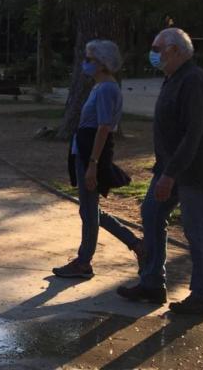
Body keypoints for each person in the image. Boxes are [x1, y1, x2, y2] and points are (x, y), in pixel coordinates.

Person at [117, 28, 203, 315]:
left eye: (157, 48)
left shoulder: (193, 79)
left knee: (196, 231)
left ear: (175, 50)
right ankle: (152, 283)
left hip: (191, 171)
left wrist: (170, 173)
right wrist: (164, 169)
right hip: (169, 168)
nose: (154, 53)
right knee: (151, 213)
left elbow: (194, 133)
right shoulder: (173, 78)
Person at [52, 40, 142, 279]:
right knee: (90, 210)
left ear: (103, 64)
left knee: (89, 212)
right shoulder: (99, 87)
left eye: (90, 59)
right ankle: (136, 244)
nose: (85, 63)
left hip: (92, 153)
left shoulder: (106, 89)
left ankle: (84, 262)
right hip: (84, 151)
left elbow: (103, 127)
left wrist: (93, 164)